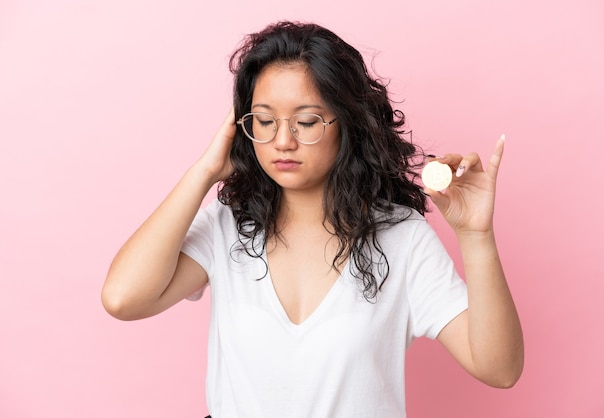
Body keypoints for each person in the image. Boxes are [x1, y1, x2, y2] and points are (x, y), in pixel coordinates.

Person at [102, 21, 523, 417]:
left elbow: (500, 369)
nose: (282, 141)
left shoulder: (402, 237)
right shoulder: (228, 225)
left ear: (349, 122)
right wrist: (203, 172)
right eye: (264, 121)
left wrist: (476, 235)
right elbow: (123, 298)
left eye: (306, 121)